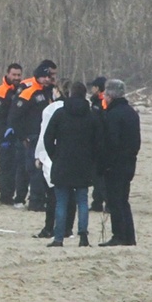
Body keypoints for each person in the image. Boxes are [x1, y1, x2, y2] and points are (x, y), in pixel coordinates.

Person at [43, 82, 100, 247]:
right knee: (82, 200)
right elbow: (98, 142)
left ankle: (59, 238)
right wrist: (92, 160)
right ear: (85, 95)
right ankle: (83, 237)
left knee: (61, 201)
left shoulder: (60, 113)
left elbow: (48, 138)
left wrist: (55, 155)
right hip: (83, 164)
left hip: (62, 162)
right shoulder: (91, 116)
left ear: (70, 94)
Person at [6, 60, 57, 212]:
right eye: (46, 77)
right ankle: (35, 202)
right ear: (39, 76)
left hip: (45, 136)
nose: (49, 79)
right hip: (32, 137)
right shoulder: (28, 92)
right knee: (33, 169)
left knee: (45, 169)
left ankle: (43, 199)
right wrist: (23, 137)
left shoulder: (47, 91)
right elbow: (14, 117)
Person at [99, 79, 140, 247]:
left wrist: (106, 163)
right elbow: (136, 141)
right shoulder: (131, 112)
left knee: (115, 200)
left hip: (116, 164)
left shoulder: (113, 114)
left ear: (110, 95)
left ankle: (119, 235)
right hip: (129, 162)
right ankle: (129, 236)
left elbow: (111, 142)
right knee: (123, 200)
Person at [33, 79, 76, 239]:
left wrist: (38, 155)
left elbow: (44, 135)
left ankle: (50, 228)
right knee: (71, 195)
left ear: (57, 91)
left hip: (53, 156)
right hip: (73, 157)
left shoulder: (51, 109)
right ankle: (68, 228)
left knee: (53, 196)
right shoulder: (83, 108)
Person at [0, 63, 23, 206]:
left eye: (18, 75)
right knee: (6, 166)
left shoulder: (21, 90)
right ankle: (5, 197)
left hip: (19, 134)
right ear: (8, 74)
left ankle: (17, 195)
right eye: (14, 75)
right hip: (5, 135)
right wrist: (4, 136)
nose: (16, 78)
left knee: (19, 167)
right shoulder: (0, 92)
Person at [88, 76, 108, 212]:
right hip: (99, 142)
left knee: (99, 175)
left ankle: (103, 201)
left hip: (100, 143)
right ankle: (97, 201)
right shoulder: (96, 101)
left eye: (93, 87)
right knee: (96, 175)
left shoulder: (101, 102)